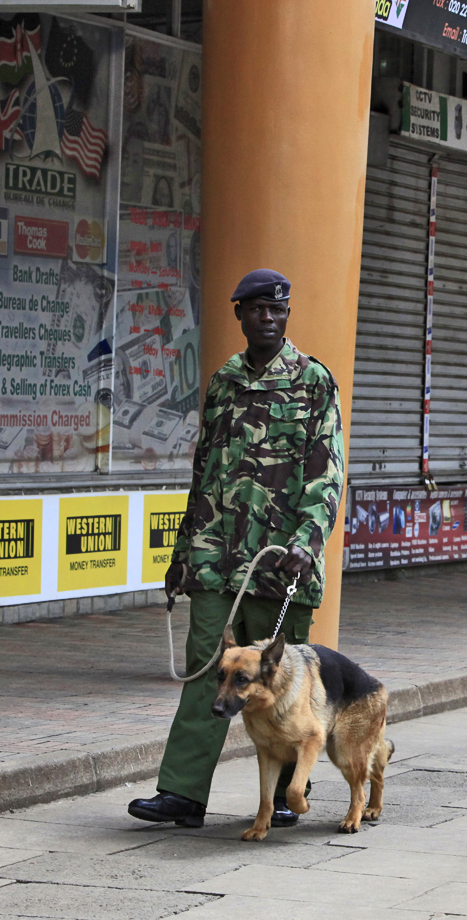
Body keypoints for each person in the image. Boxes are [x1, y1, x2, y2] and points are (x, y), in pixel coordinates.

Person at [128, 268, 345, 829]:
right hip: (215, 560)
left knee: (281, 683)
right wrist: (181, 555)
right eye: (256, 310)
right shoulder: (223, 381)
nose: (267, 318)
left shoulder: (314, 382)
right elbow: (204, 473)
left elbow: (328, 475)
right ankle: (182, 794)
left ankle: (285, 794)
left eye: (277, 310)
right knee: (208, 671)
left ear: (286, 315)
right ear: (240, 315)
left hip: (280, 564)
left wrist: (306, 542)